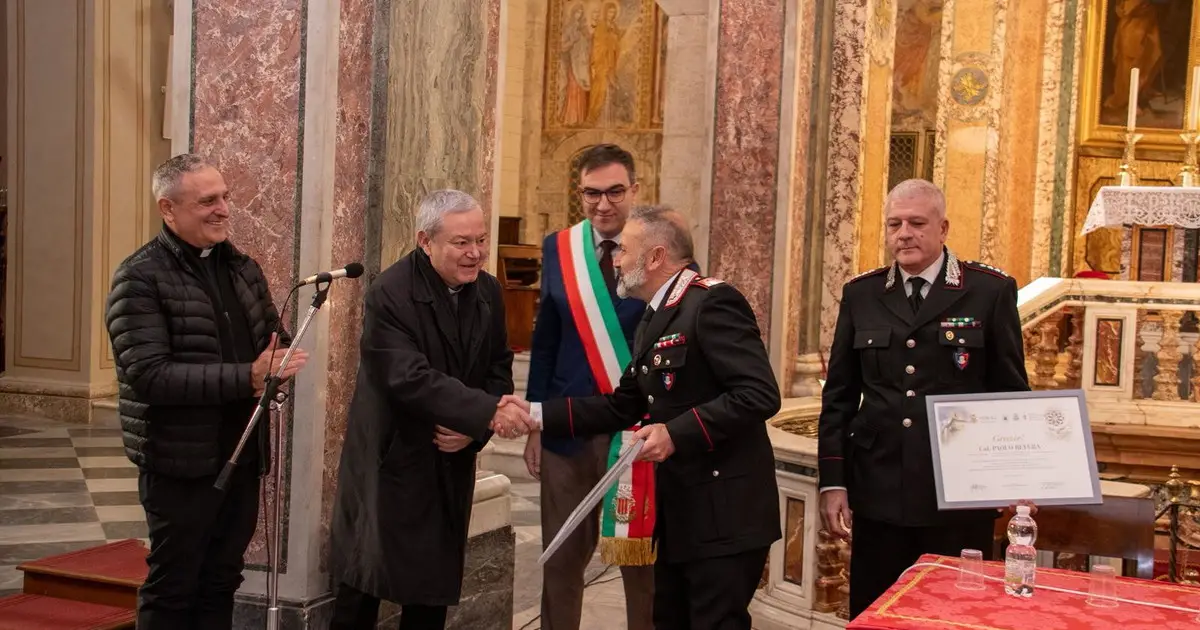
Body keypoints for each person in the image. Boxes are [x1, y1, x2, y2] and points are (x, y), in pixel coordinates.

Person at [509, 205, 782, 630]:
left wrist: (675, 433)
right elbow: (621, 405)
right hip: (679, 511)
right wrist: (537, 414)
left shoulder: (711, 302)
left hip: (724, 513)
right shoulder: (656, 314)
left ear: (655, 257)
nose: (616, 260)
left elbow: (759, 394)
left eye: (624, 250)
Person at [105, 153, 309, 629]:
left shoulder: (242, 268)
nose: (223, 209)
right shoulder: (139, 277)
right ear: (168, 209)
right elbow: (148, 374)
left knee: (222, 579)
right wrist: (248, 376)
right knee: (174, 585)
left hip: (241, 452)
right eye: (207, 201)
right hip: (179, 461)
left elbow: (271, 339)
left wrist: (278, 360)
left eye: (224, 197)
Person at [816, 179, 1030, 618]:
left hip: (958, 492)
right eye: (894, 224)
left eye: (916, 223)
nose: (904, 234)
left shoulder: (989, 291)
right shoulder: (862, 293)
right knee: (877, 611)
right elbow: (839, 397)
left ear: (943, 228)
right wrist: (833, 481)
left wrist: (1014, 477)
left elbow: (1010, 392)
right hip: (879, 488)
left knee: (954, 614)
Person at [328, 189, 530, 630]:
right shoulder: (390, 292)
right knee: (364, 579)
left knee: (431, 588)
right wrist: (483, 412)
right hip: (391, 460)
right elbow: (408, 376)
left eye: (480, 239)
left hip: (448, 460)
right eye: (461, 242)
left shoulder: (488, 290)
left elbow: (497, 367)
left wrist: (474, 429)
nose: (475, 252)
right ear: (425, 240)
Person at [524, 144, 655, 630]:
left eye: (615, 192)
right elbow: (545, 340)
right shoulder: (559, 248)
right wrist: (535, 422)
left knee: (641, 562)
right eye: (591, 193)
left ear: (635, 190)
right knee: (561, 557)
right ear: (579, 193)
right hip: (568, 425)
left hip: (636, 429)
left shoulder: (657, 247)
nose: (603, 204)